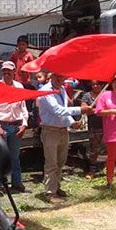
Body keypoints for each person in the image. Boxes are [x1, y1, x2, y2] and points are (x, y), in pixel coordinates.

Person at [38, 74, 93, 203]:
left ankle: (56, 187)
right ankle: (50, 193)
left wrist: (71, 122)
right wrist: (81, 109)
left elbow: (65, 111)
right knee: (51, 163)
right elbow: (58, 110)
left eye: (61, 77)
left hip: (63, 131)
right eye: (56, 77)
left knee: (61, 162)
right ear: (51, 77)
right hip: (50, 131)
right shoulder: (44, 91)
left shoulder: (61, 90)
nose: (59, 79)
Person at [0, 61, 29, 194]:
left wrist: (24, 124)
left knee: (15, 157)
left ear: (14, 72)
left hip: (16, 126)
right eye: (4, 71)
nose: (7, 74)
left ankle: (17, 183)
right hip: (2, 125)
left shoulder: (19, 87)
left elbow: (24, 108)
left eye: (9, 71)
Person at [80, 81, 105, 179]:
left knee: (112, 147)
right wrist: (102, 111)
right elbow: (84, 109)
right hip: (94, 126)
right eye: (93, 84)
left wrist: (95, 111)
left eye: (98, 84)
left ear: (102, 85)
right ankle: (92, 170)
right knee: (94, 149)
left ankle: (115, 168)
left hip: (108, 125)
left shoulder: (106, 94)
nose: (95, 86)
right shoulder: (87, 96)